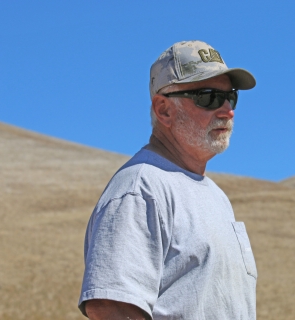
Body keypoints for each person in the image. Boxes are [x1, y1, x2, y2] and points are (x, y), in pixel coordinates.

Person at [78, 40, 258, 320]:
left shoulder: (216, 196)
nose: (227, 111)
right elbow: (112, 309)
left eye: (230, 97)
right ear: (163, 110)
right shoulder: (141, 188)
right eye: (209, 97)